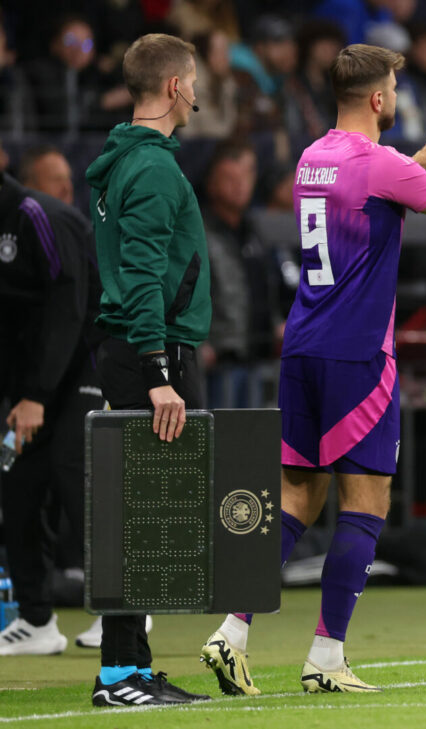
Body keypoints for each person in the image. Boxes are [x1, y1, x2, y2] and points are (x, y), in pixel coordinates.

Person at [200, 43, 426, 696]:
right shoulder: (380, 164)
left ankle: (233, 629)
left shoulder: (311, 158)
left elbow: (371, 194)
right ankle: (326, 655)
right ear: (380, 100)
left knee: (298, 494)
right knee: (366, 502)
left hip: (302, 346)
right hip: (358, 355)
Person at [85, 32, 212, 707]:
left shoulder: (119, 162)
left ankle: (132, 665)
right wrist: (159, 369)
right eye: (192, 80)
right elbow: (140, 275)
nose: (196, 92)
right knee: (141, 520)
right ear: (173, 88)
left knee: (144, 516)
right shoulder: (155, 169)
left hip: (130, 349)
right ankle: (117, 676)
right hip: (149, 354)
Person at [0, 166, 103, 656]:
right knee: (17, 486)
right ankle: (37, 621)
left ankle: (122, 609)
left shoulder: (36, 217)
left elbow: (68, 308)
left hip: (87, 361)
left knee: (75, 475)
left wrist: (37, 395)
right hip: (29, 387)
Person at [200, 141, 284, 407]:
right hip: (221, 358)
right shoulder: (200, 232)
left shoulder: (253, 231)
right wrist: (201, 342)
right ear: (212, 184)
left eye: (245, 177)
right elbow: (190, 290)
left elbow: (265, 284)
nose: (239, 186)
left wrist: (275, 322)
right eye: (229, 178)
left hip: (257, 353)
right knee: (223, 438)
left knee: (252, 439)